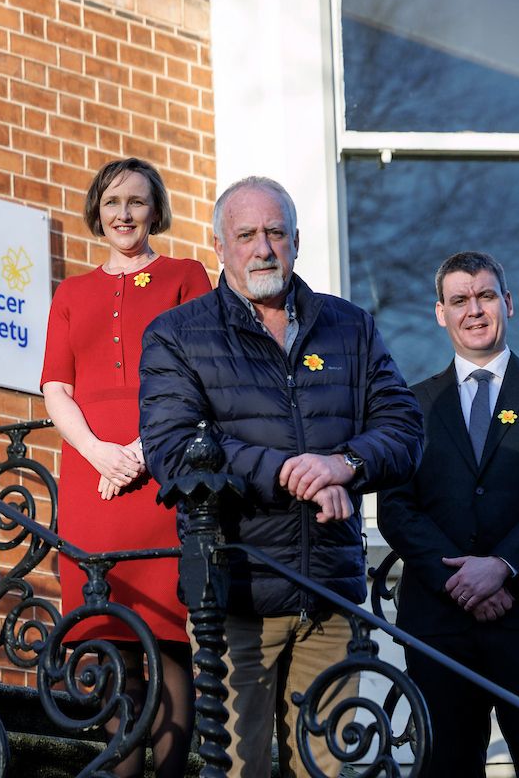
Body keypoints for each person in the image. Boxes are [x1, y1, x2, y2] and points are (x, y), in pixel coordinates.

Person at [139, 176, 423, 778]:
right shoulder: (177, 335)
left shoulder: (350, 328)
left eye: (275, 232)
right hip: (236, 599)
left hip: (331, 596)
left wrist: (341, 465)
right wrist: (291, 473)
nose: (262, 247)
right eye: (246, 235)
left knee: (331, 771)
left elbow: (404, 427)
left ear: (297, 240)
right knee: (241, 771)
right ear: (220, 246)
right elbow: (174, 448)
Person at [377, 251, 519, 778]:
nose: (473, 310)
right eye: (459, 300)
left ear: (507, 303)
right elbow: (396, 508)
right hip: (441, 625)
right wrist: (461, 580)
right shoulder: (411, 405)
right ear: (440, 313)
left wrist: (501, 565)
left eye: (485, 296)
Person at [40, 157, 211, 778]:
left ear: (154, 210)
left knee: (165, 635)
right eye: (113, 202)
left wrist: (141, 451)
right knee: (108, 635)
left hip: (161, 477)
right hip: (92, 482)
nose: (124, 214)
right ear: (97, 210)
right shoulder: (71, 292)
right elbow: (57, 387)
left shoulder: (185, 277)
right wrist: (100, 454)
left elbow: (203, 377)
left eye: (137, 202)